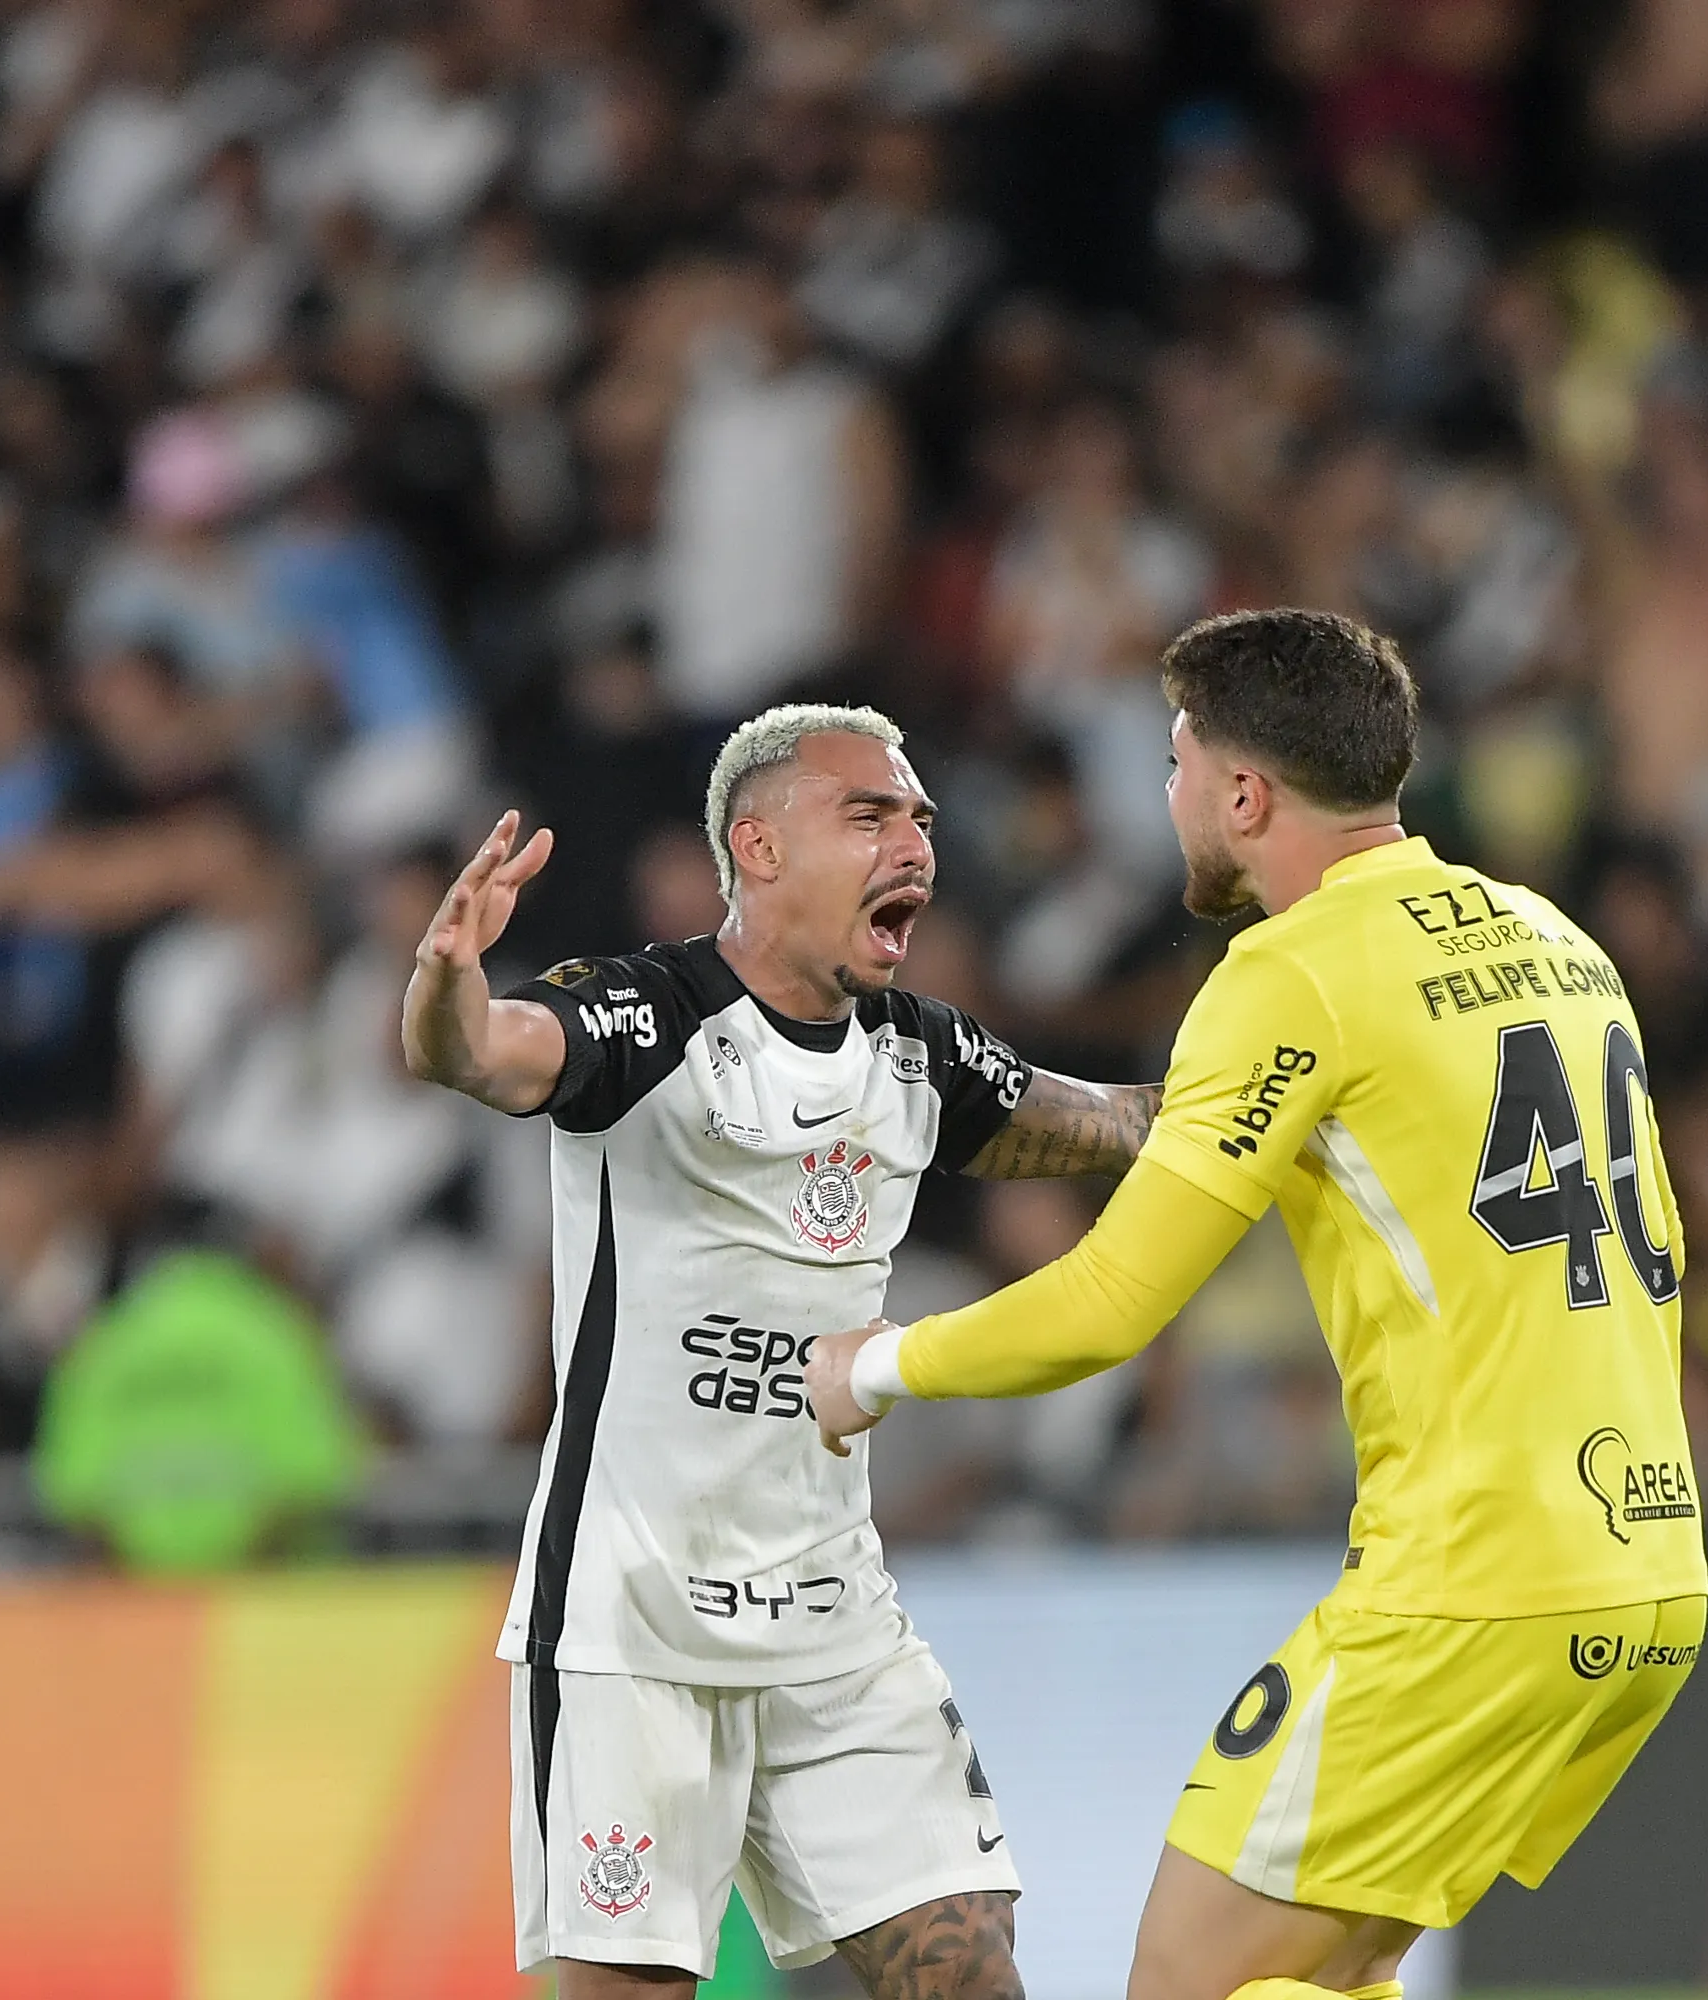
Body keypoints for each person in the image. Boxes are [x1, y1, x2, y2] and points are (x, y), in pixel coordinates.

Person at [807, 610, 1708, 2000]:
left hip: (1470, 1581)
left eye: (1176, 764)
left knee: (1189, 1986)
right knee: (1325, 1979)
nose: (1166, 798)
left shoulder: (1289, 973)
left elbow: (1113, 1302)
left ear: (1244, 793)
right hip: (1646, 1570)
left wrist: (876, 1367)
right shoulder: (1557, 943)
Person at [401, 703, 1163, 1999]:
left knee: (968, 1969)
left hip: (830, 1619)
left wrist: (1296, 1082)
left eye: (920, 817)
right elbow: (484, 1055)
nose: (914, 842)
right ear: (755, 847)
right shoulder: (646, 1016)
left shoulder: (922, 1054)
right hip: (633, 1624)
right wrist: (444, 991)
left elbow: (1117, 1128)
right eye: (869, 815)